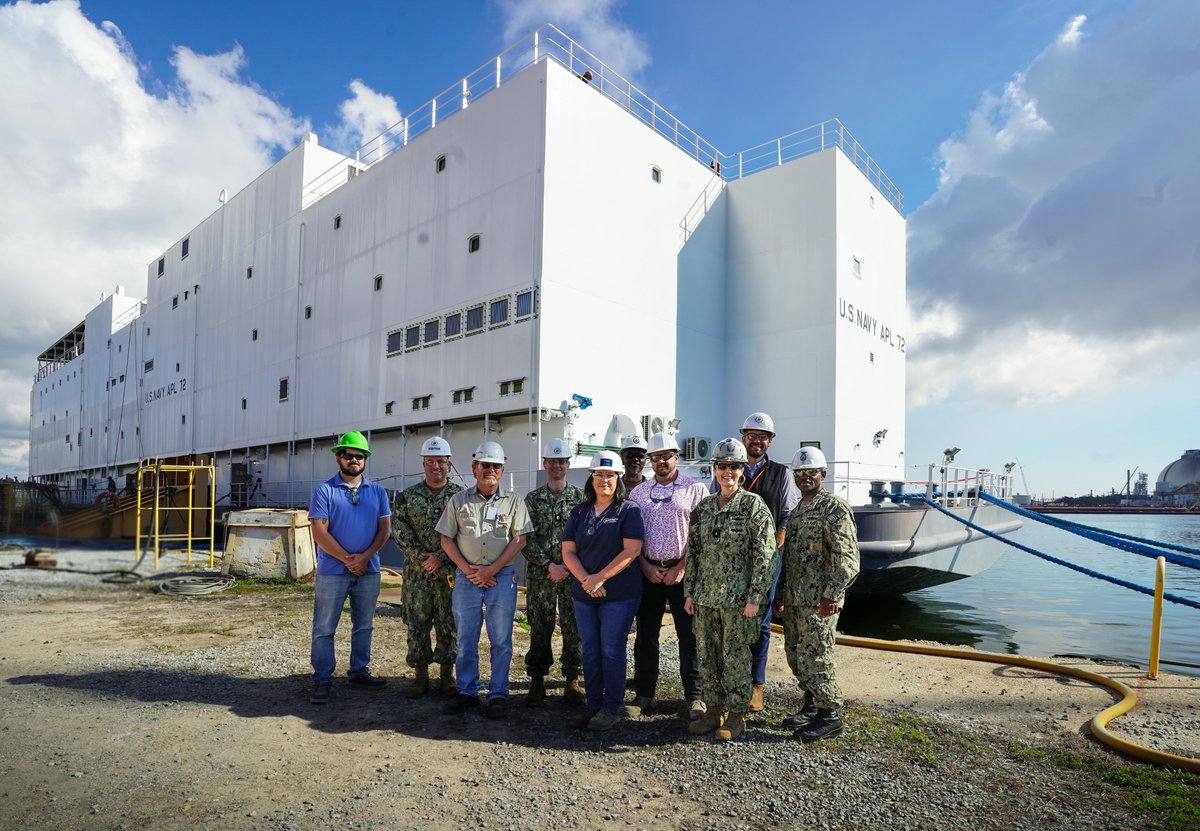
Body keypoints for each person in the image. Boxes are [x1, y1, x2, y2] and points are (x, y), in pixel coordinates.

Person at [684, 438, 775, 741]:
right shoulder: (704, 508)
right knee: (708, 656)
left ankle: (736, 715)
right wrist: (689, 593)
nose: (728, 472)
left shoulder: (752, 506)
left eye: (734, 466)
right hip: (706, 598)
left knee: (735, 658)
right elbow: (694, 553)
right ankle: (713, 711)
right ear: (715, 469)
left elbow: (766, 556)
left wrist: (755, 599)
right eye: (722, 466)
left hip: (738, 602)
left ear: (742, 470)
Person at [437, 441, 533, 719]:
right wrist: (468, 570)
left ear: (502, 470)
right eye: (485, 465)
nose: (490, 470)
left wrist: (491, 570)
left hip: (500, 578)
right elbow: (446, 539)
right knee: (466, 637)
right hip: (466, 578)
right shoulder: (458, 501)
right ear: (474, 468)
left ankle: (498, 694)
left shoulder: (514, 502)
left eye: (496, 466)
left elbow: (520, 539)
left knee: (501, 639)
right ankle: (467, 691)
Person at [775, 445, 860, 742]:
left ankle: (830, 716)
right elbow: (788, 558)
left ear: (823, 474)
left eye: (811, 472)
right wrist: (781, 594)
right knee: (797, 655)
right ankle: (811, 705)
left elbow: (847, 558)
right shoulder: (797, 512)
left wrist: (831, 594)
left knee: (818, 657)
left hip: (820, 602)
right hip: (796, 600)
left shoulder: (833, 508)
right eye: (799, 473)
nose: (805, 478)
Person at [626, 432, 710, 719]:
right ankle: (644, 695)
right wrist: (645, 566)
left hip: (682, 572)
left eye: (666, 456)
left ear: (676, 457)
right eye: (655, 457)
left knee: (689, 637)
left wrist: (681, 567)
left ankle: (695, 698)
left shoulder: (695, 489)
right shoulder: (638, 493)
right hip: (648, 571)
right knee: (646, 635)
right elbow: (631, 537)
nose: (661, 462)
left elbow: (702, 536)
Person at [308, 431, 393, 705]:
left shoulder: (378, 492)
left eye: (359, 456)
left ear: (365, 459)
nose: (354, 460)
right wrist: (349, 560)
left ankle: (358, 672)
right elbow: (319, 533)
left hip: (368, 571)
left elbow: (385, 530)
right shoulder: (324, 491)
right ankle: (322, 678)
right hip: (333, 572)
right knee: (324, 627)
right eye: (348, 455)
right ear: (339, 457)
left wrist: (365, 558)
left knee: (364, 625)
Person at [561, 450, 644, 730]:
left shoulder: (629, 510)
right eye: (599, 474)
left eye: (610, 475)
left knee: (611, 650)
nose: (604, 480)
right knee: (590, 650)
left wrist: (600, 578)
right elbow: (568, 551)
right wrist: (587, 579)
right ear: (591, 478)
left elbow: (632, 551)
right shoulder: (579, 511)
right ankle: (593, 703)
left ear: (618, 478)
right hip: (584, 593)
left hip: (619, 594)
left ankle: (611, 707)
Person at [391, 436, 463, 699]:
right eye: (431, 461)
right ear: (423, 464)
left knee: (448, 624)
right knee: (417, 624)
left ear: (449, 464)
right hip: (417, 574)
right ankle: (420, 677)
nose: (436, 466)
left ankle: (447, 675)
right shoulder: (407, 497)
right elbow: (400, 531)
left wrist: (440, 558)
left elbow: (466, 533)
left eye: (441, 461)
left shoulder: (461, 497)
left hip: (448, 573)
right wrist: (424, 558)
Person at [736, 412, 798, 712]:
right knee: (732, 620)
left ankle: (756, 685)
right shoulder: (730, 468)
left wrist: (775, 546)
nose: (756, 440)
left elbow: (787, 514)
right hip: (732, 562)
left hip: (766, 562)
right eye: (751, 435)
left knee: (760, 623)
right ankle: (733, 681)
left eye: (762, 436)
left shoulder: (781, 474)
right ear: (743, 438)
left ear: (770, 441)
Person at [523, 438, 587, 705]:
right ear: (545, 464)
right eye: (553, 461)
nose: (557, 466)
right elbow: (525, 538)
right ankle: (537, 680)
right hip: (542, 576)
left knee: (574, 627)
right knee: (540, 626)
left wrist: (569, 568)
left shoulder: (581, 499)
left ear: (568, 465)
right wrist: (548, 565)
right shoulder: (532, 499)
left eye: (562, 461)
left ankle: (572, 679)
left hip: (573, 575)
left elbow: (587, 537)